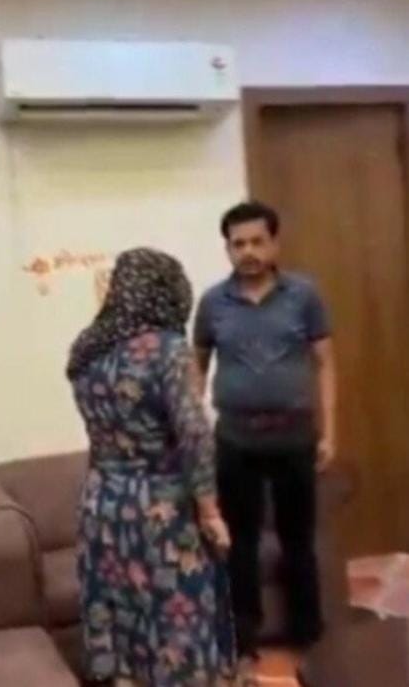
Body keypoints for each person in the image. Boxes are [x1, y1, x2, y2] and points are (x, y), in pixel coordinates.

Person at [66, 248, 236, 687]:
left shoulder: (87, 350)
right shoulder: (167, 349)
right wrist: (210, 510)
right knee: (177, 611)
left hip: (102, 503)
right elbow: (193, 432)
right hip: (161, 505)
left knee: (121, 611)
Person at [193, 202, 336, 668]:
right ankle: (242, 638)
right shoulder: (212, 304)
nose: (248, 252)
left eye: (257, 241)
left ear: (275, 242)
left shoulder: (304, 295)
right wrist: (193, 430)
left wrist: (329, 433)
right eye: (238, 244)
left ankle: (308, 636)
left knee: (299, 541)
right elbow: (198, 368)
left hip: (294, 437)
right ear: (228, 249)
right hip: (235, 441)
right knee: (239, 544)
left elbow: (326, 364)